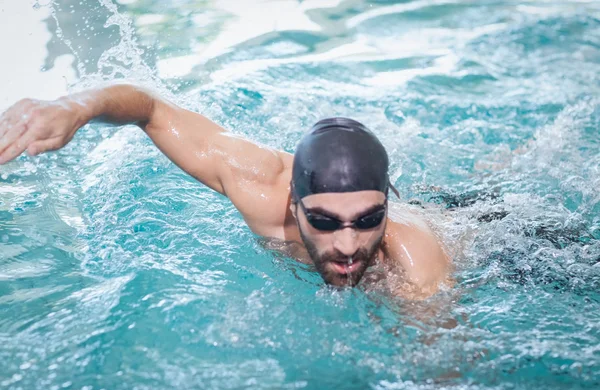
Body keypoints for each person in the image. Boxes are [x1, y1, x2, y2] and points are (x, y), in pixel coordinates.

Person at [0, 83, 451, 298]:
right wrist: (72, 108)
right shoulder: (257, 185)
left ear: (386, 206)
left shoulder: (414, 265)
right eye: (324, 221)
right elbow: (151, 108)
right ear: (293, 202)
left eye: (368, 220)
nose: (348, 245)